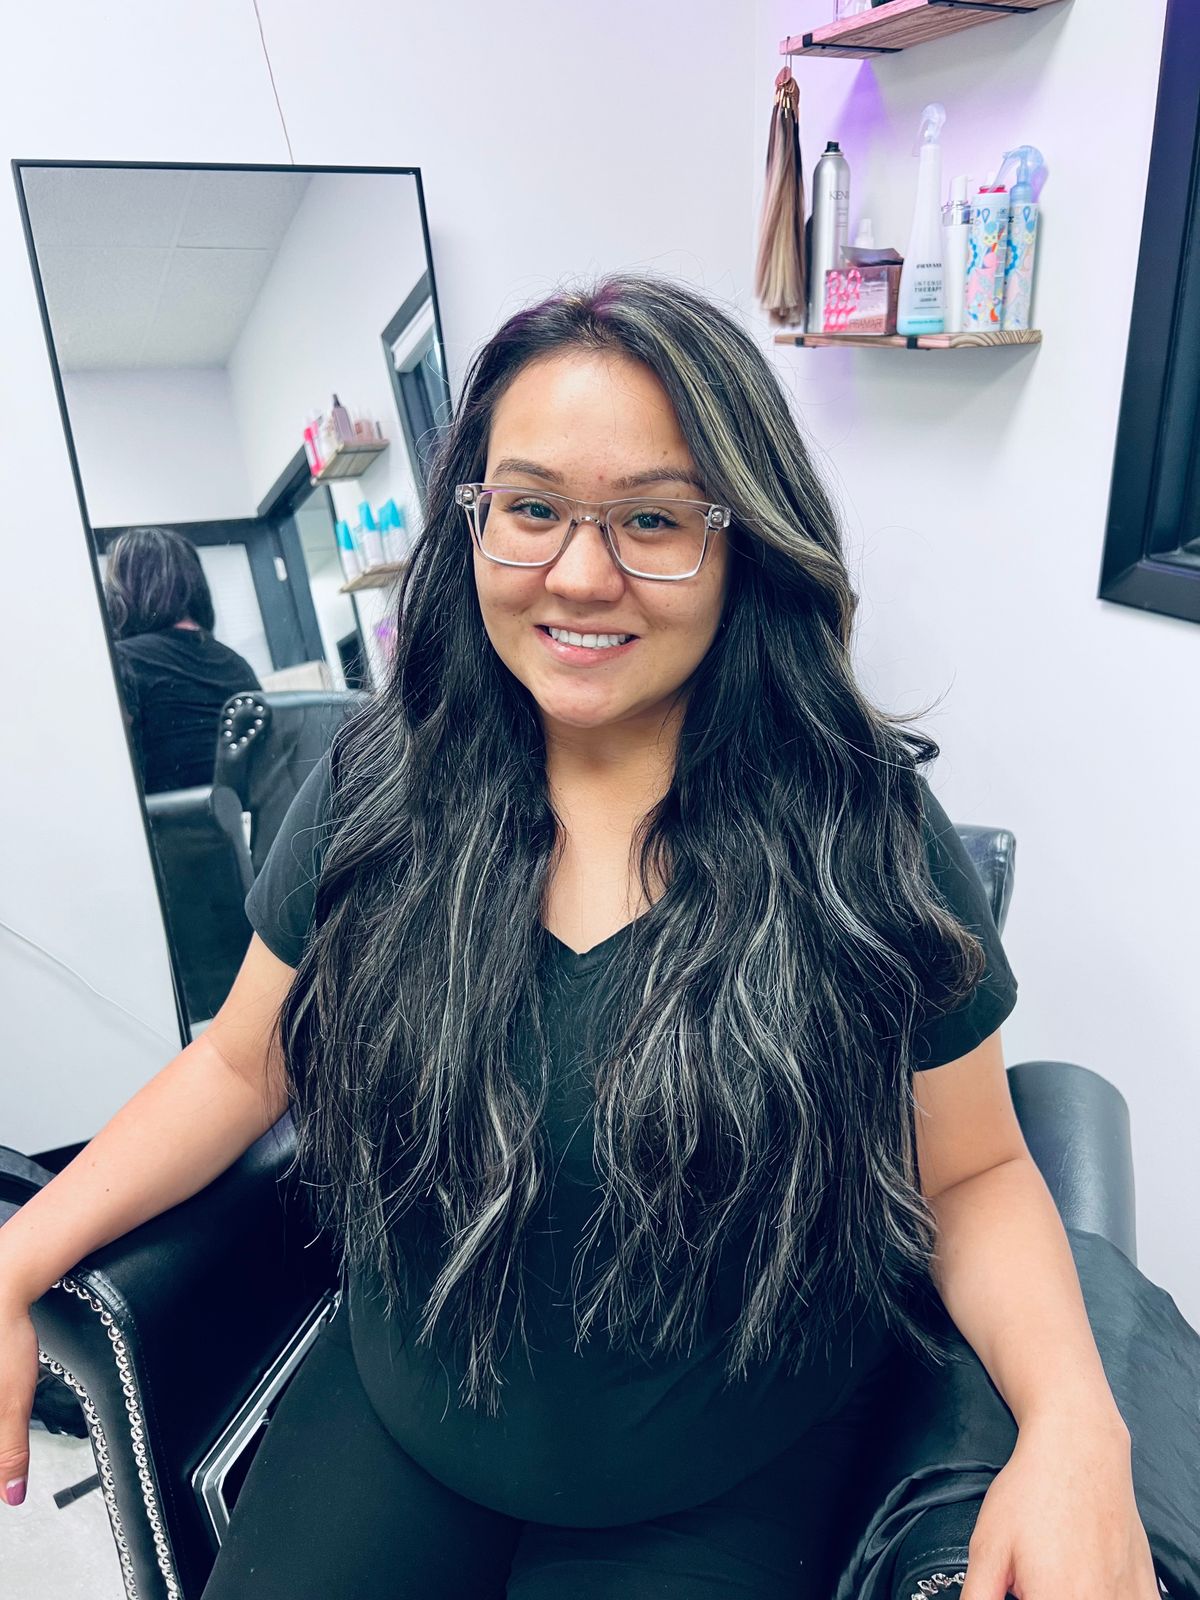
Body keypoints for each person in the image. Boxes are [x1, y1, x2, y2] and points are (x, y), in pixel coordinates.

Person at [0, 275, 1158, 1600]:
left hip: (724, 1462)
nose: (581, 574)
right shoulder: (378, 783)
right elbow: (235, 1064)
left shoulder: (862, 824)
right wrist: (20, 1249)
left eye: (652, 519)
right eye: (533, 509)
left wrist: (1077, 1424)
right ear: (474, 522)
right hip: (410, 1404)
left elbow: (974, 1172)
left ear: (741, 540)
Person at [103, 525, 262, 793]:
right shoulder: (237, 664)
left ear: (126, 591)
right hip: (247, 818)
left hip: (162, 818)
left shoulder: (121, 661)